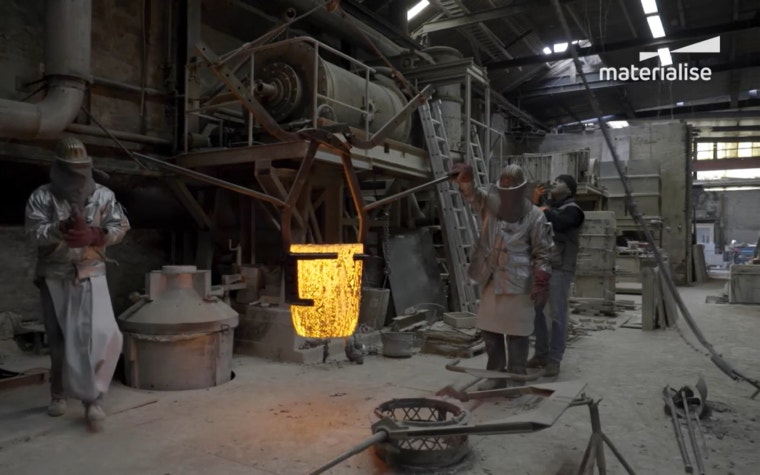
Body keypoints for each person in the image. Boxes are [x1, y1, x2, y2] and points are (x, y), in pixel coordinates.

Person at [25, 137, 130, 430]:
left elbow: (120, 226)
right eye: (69, 170)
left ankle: (93, 399)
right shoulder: (42, 197)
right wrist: (60, 229)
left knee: (101, 336)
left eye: (81, 170)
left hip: (91, 273)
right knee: (58, 340)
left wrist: (97, 236)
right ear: (58, 169)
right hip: (54, 275)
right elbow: (33, 232)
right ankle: (58, 394)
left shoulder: (104, 196)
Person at [452, 162, 554, 391]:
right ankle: (495, 375)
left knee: (517, 333)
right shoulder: (490, 205)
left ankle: (516, 380)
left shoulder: (536, 217)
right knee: (491, 329)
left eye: (511, 189)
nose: (506, 194)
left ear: (521, 190)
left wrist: (541, 282)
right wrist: (466, 179)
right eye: (503, 189)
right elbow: (472, 195)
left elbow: (543, 253)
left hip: (519, 283)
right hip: (491, 276)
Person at [528, 175, 585, 377]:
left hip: (560, 268)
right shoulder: (549, 207)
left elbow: (561, 223)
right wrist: (536, 203)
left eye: (560, 180)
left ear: (569, 189)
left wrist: (544, 209)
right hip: (542, 266)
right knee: (536, 311)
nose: (554, 182)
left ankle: (554, 359)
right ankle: (541, 354)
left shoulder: (574, 211)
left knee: (557, 315)